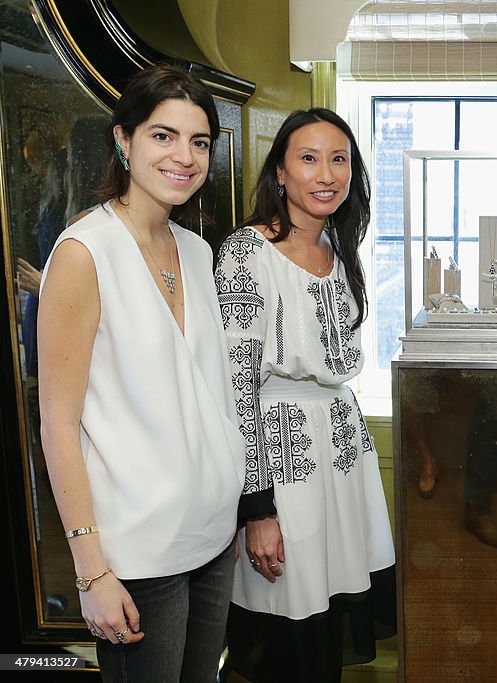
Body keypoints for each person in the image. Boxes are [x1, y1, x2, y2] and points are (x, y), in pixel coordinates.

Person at [37, 63, 244, 680]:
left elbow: (212, 393)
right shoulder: (84, 253)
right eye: (163, 135)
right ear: (123, 141)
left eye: (199, 141)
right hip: (138, 552)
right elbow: (58, 424)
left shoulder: (200, 252)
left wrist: (229, 495)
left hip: (211, 534)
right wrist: (92, 570)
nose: (184, 156)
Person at [217, 108, 396, 682]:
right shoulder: (248, 252)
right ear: (280, 174)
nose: (326, 174)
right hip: (283, 461)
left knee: (327, 629)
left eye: (339, 159)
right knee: (289, 630)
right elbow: (235, 386)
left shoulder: (340, 252)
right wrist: (257, 508)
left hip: (340, 458)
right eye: (309, 158)